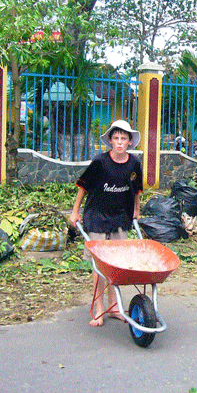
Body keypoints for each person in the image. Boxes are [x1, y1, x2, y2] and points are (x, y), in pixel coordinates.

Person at [69, 120, 143, 327]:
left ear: (129, 142)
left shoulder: (134, 164)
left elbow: (136, 190)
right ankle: (99, 308)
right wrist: (75, 212)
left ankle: (114, 307)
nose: (119, 143)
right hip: (97, 217)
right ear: (110, 141)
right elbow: (82, 187)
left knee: (116, 266)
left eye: (123, 139)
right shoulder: (100, 163)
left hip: (121, 218)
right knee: (100, 266)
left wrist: (136, 210)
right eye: (116, 138)